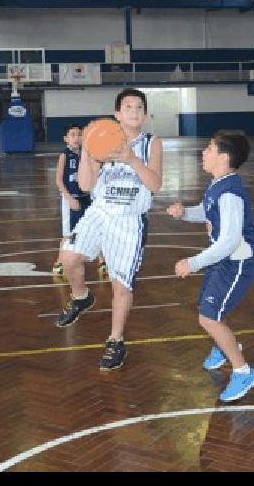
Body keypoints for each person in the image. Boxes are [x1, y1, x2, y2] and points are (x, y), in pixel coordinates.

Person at [55, 88, 163, 371]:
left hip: (129, 219)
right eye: (128, 107)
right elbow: (86, 187)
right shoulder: (99, 139)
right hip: (99, 212)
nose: (134, 111)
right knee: (68, 257)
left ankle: (115, 340)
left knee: (121, 285)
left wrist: (131, 159)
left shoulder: (151, 143)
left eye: (139, 107)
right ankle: (81, 297)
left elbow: (154, 185)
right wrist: (90, 155)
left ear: (145, 114)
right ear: (117, 114)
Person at [167, 131, 254, 401]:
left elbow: (230, 241)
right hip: (224, 260)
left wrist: (194, 262)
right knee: (208, 310)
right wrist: (185, 212)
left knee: (208, 316)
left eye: (209, 148)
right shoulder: (218, 184)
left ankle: (244, 372)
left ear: (223, 156)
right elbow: (206, 211)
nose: (203, 153)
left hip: (237, 262)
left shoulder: (230, 192)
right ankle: (224, 346)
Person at [52, 124, 106, 277]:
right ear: (66, 139)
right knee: (69, 235)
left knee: (96, 230)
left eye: (79, 134)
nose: (76, 138)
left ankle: (102, 262)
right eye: (72, 134)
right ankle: (59, 263)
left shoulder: (87, 155)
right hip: (72, 199)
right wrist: (69, 199)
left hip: (87, 199)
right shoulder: (64, 156)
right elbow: (58, 181)